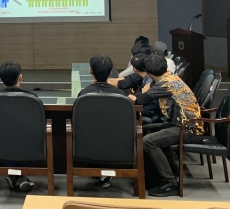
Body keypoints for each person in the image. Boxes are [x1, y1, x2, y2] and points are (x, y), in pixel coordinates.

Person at [128, 54, 204, 197]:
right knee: (145, 129)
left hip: (188, 129)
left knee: (148, 141)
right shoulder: (170, 78)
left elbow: (141, 100)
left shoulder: (165, 84)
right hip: (179, 124)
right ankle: (157, 175)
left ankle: (170, 182)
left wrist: (136, 96)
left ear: (148, 72)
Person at [76, 55, 126, 189]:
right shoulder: (121, 96)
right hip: (118, 147)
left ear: (90, 71)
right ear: (110, 73)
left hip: (86, 147)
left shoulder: (83, 95)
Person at [0, 61, 39, 192]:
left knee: (8, 139)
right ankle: (21, 177)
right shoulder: (32, 99)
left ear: (1, 80)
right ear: (20, 77)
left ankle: (15, 176)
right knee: (21, 138)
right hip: (30, 149)